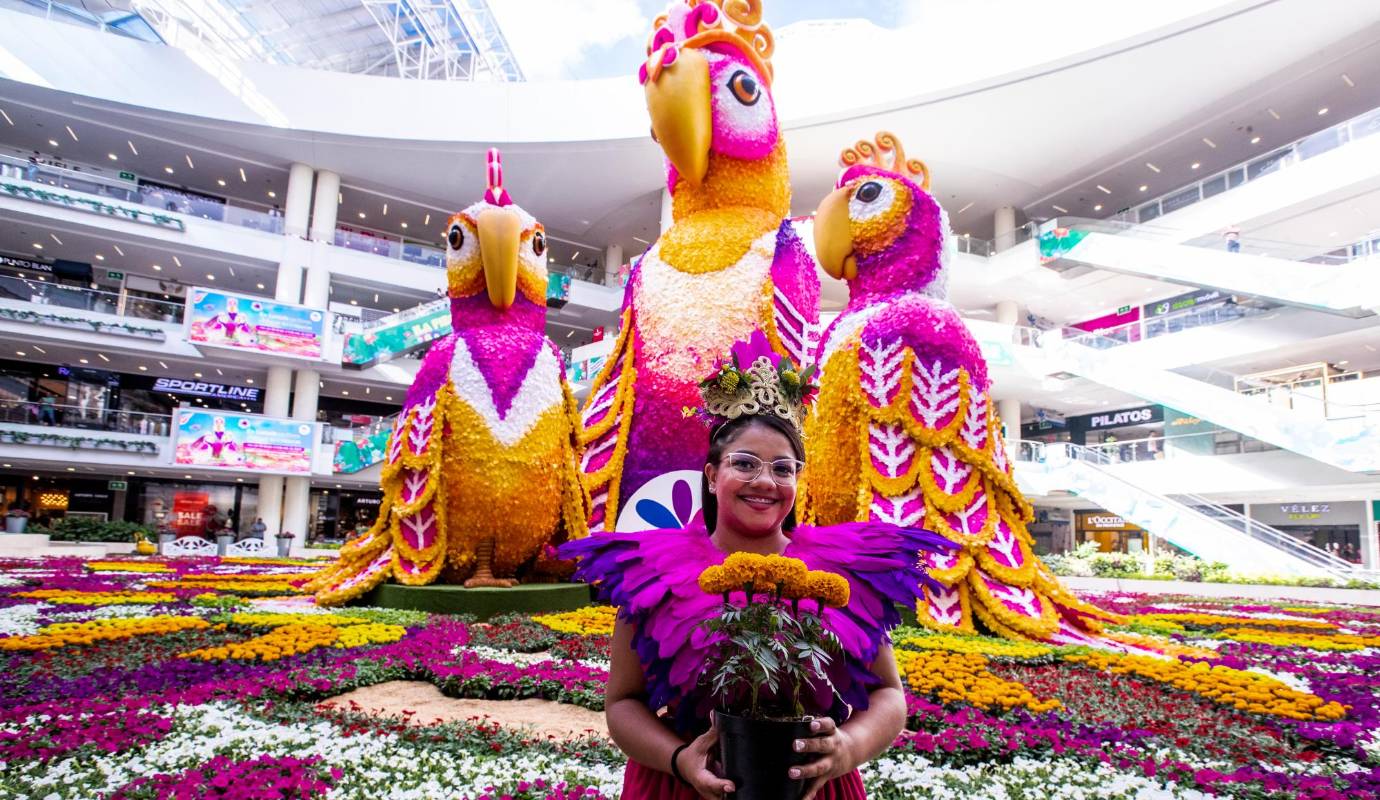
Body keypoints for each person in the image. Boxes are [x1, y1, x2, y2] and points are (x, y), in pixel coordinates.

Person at [561, 337, 952, 800]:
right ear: (711, 475)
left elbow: (890, 695)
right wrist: (680, 760)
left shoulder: (845, 565)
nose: (765, 482)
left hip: (812, 787)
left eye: (783, 469)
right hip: (683, 788)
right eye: (744, 463)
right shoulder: (653, 569)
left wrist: (847, 747)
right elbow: (623, 703)